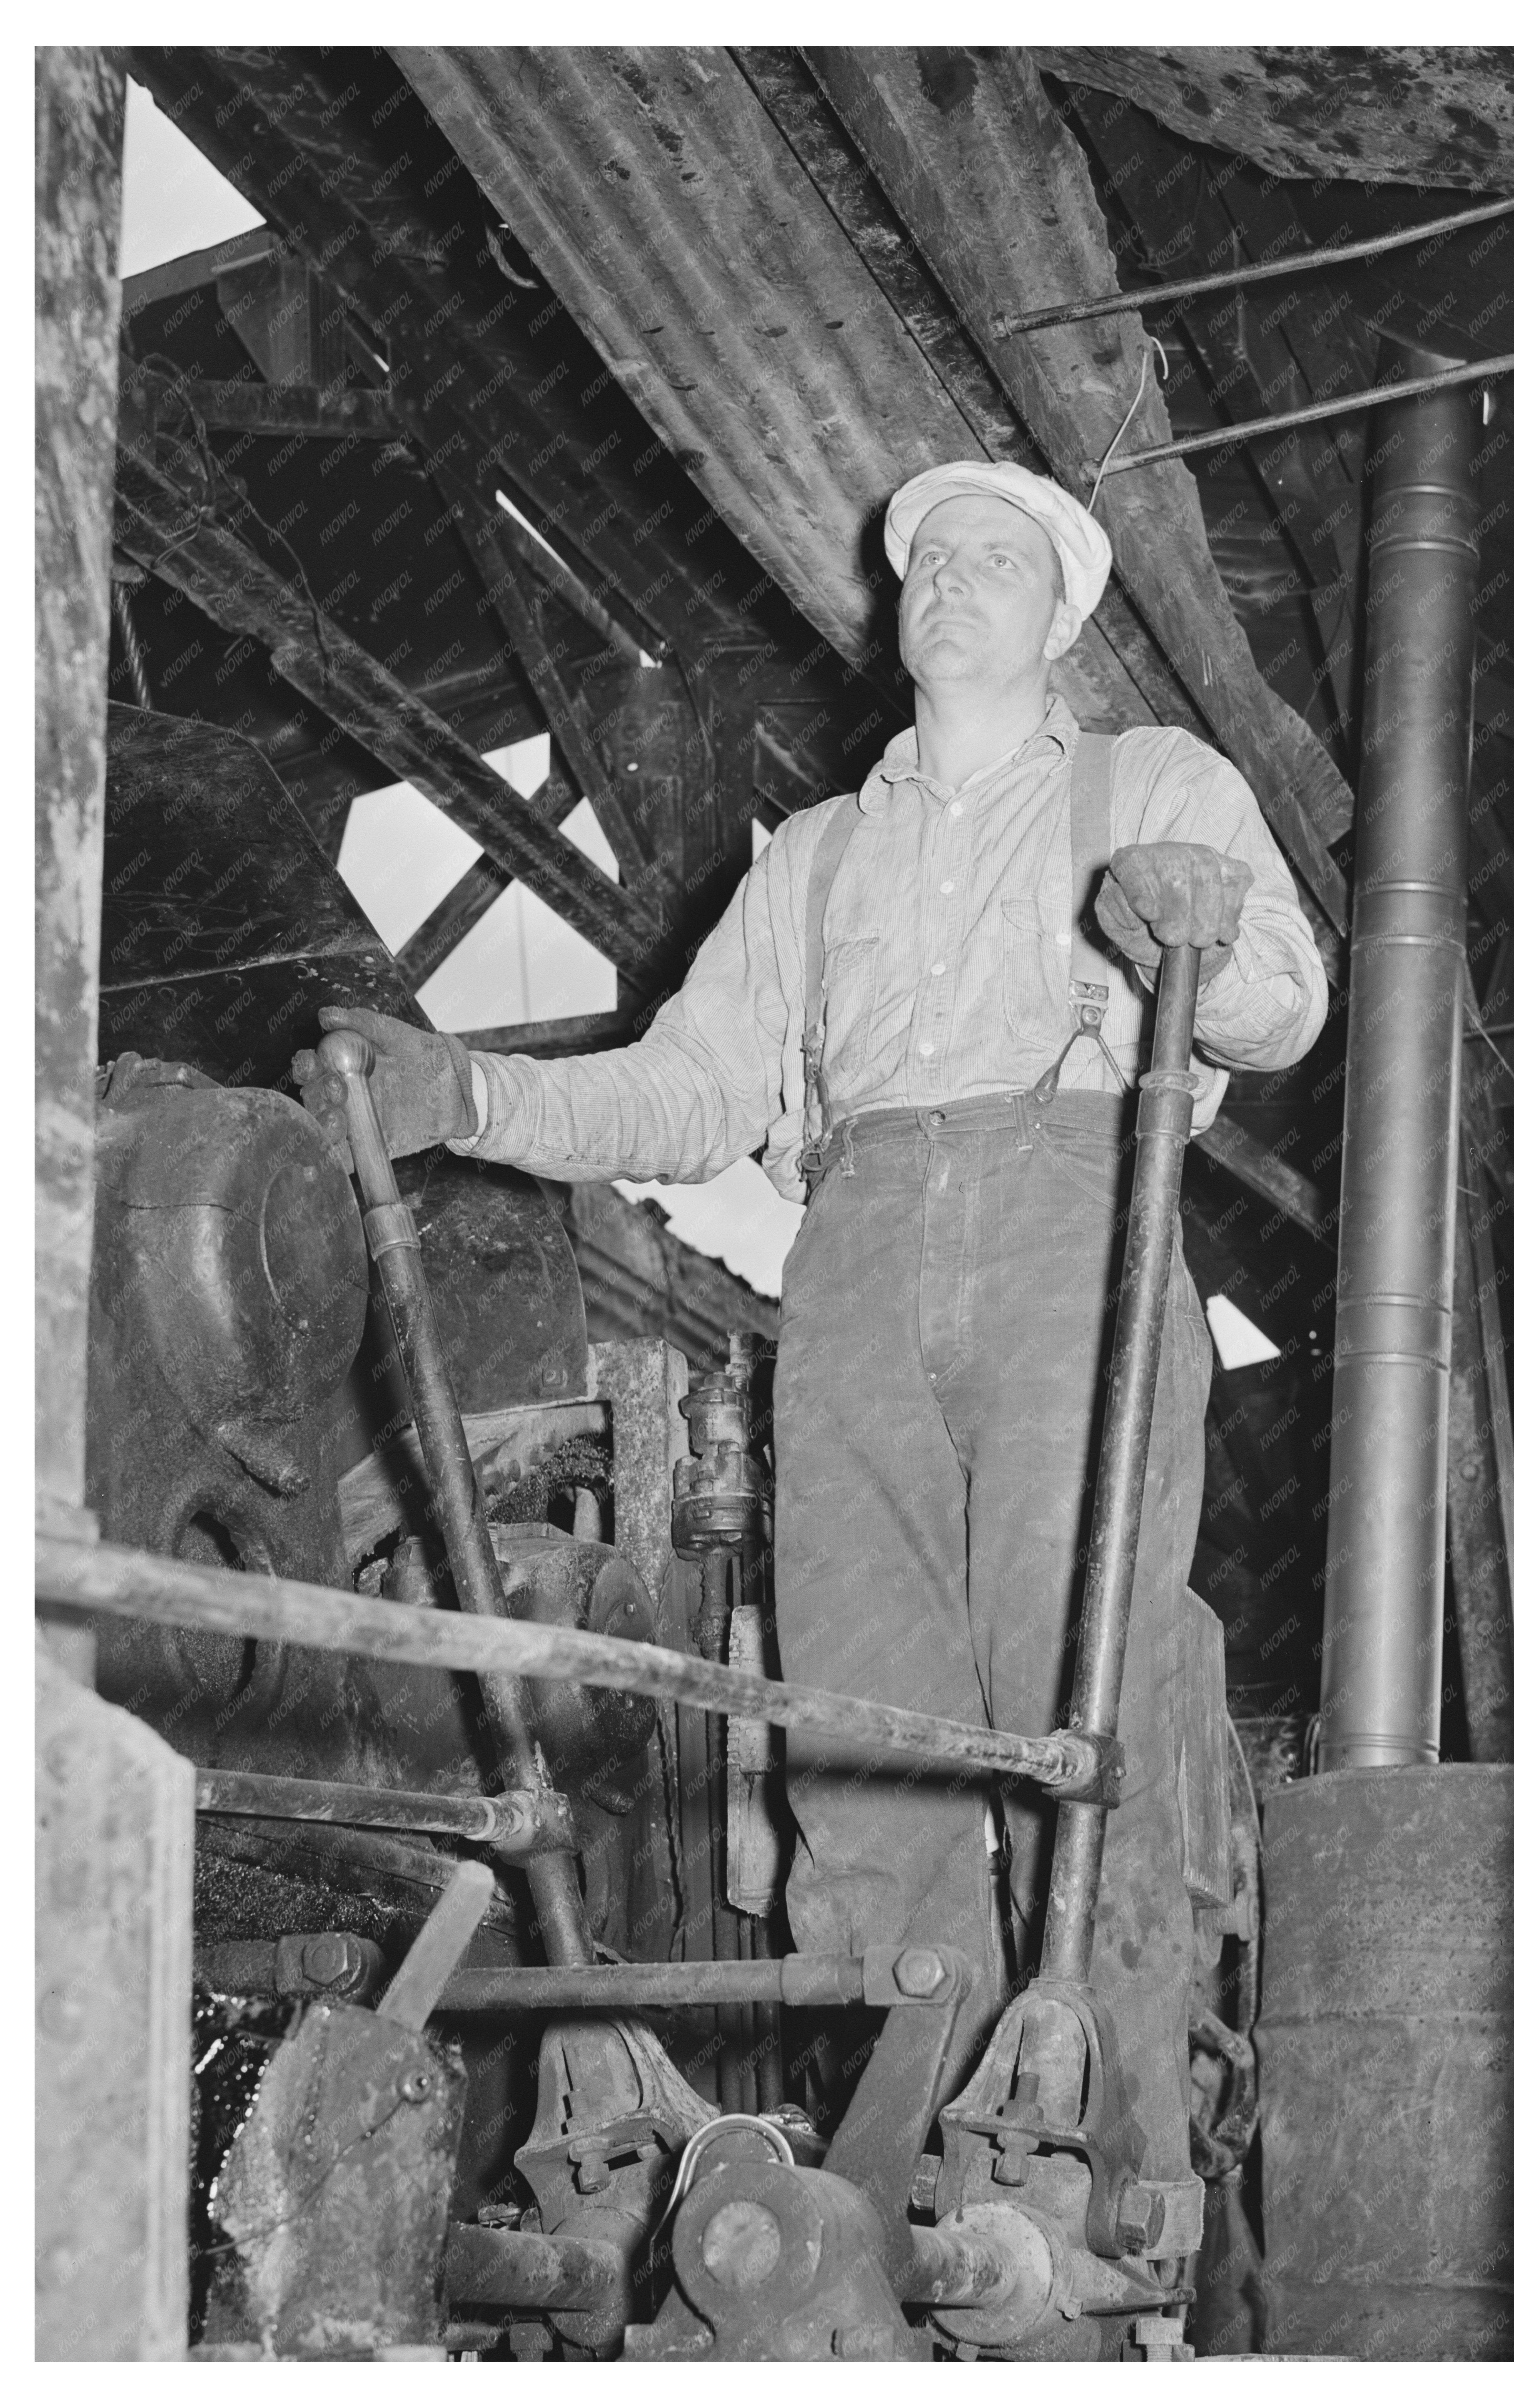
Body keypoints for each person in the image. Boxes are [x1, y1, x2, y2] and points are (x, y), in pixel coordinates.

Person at [296, 461, 1327, 2182]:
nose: (953, 580)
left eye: (999, 560)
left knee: (1074, 1705)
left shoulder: (1154, 784)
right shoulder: (818, 859)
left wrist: (1193, 942)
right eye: (928, 559)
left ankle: (1110, 2178)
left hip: (1076, 1214)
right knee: (864, 1726)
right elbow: (691, 1091)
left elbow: (1287, 999)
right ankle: (918, 2152)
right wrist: (466, 1090)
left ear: (1062, 617)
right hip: (849, 1256)